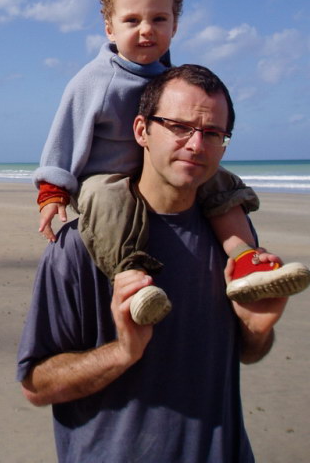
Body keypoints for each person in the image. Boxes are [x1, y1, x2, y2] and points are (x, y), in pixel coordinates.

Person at [18, 65, 291, 463]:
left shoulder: (233, 240)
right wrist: (123, 352)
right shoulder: (77, 247)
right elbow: (36, 385)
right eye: (179, 127)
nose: (196, 144)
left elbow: (248, 354)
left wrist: (256, 330)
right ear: (141, 130)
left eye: (212, 133)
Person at [34, 0, 308, 323]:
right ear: (110, 29)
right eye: (132, 20)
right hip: (108, 178)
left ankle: (244, 258)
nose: (146, 30)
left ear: (175, 26)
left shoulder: (171, 79)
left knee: (222, 184)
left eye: (159, 19)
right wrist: (52, 191)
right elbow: (64, 135)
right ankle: (131, 279)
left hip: (161, 175)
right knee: (106, 199)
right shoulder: (94, 80)